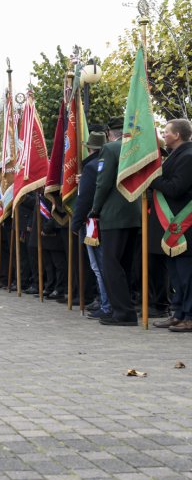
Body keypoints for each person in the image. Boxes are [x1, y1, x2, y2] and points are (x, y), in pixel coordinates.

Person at [90, 117, 143, 326]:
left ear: (109, 132)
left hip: (113, 214)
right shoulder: (139, 147)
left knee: (111, 264)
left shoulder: (110, 149)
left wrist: (95, 208)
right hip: (133, 213)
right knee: (126, 265)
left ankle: (123, 312)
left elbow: (103, 183)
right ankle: (127, 308)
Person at [149, 118, 192, 332]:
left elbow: (176, 188)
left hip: (185, 227)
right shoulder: (177, 154)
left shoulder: (188, 156)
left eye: (166, 131)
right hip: (172, 226)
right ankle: (178, 313)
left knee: (187, 276)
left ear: (177, 135)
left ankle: (190, 316)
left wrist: (151, 179)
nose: (164, 135)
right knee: (176, 275)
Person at [71, 130, 110, 319]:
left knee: (99, 266)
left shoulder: (91, 167)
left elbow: (84, 199)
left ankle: (106, 304)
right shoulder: (107, 163)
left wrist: (75, 222)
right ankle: (105, 302)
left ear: (90, 148)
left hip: (93, 222)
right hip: (108, 220)